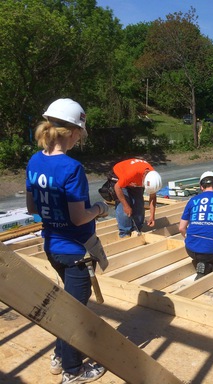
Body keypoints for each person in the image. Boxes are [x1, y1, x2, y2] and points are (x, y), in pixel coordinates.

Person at [25, 98, 108, 383]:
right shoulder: (71, 168)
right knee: (75, 313)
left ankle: (60, 356)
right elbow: (77, 217)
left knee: (66, 304)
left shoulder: (34, 161)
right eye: (80, 135)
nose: (79, 140)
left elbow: (32, 209)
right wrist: (99, 209)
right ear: (72, 132)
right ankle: (73, 371)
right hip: (76, 251)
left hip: (52, 246)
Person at [109, 159, 162, 237]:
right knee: (123, 208)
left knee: (139, 204)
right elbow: (117, 187)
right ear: (144, 178)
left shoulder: (153, 178)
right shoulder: (131, 173)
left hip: (134, 179)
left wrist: (152, 216)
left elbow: (153, 198)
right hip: (119, 176)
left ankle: (137, 230)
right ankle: (125, 233)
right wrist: (126, 206)